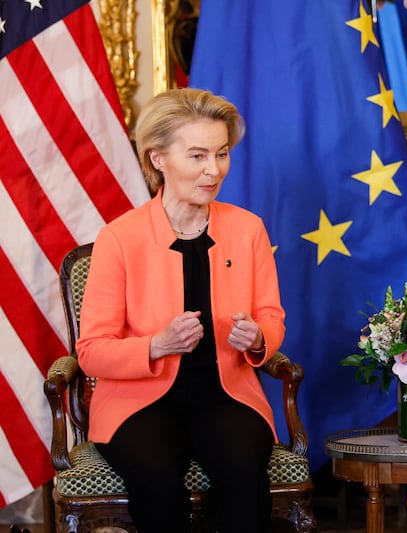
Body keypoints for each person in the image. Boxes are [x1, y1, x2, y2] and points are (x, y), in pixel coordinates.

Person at [76, 87, 285, 533]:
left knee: (245, 479)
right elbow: (92, 351)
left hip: (226, 393)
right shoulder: (119, 237)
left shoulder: (248, 229)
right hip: (138, 401)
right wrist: (155, 345)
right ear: (158, 160)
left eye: (222, 153)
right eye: (197, 156)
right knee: (158, 485)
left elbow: (271, 315)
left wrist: (259, 339)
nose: (214, 170)